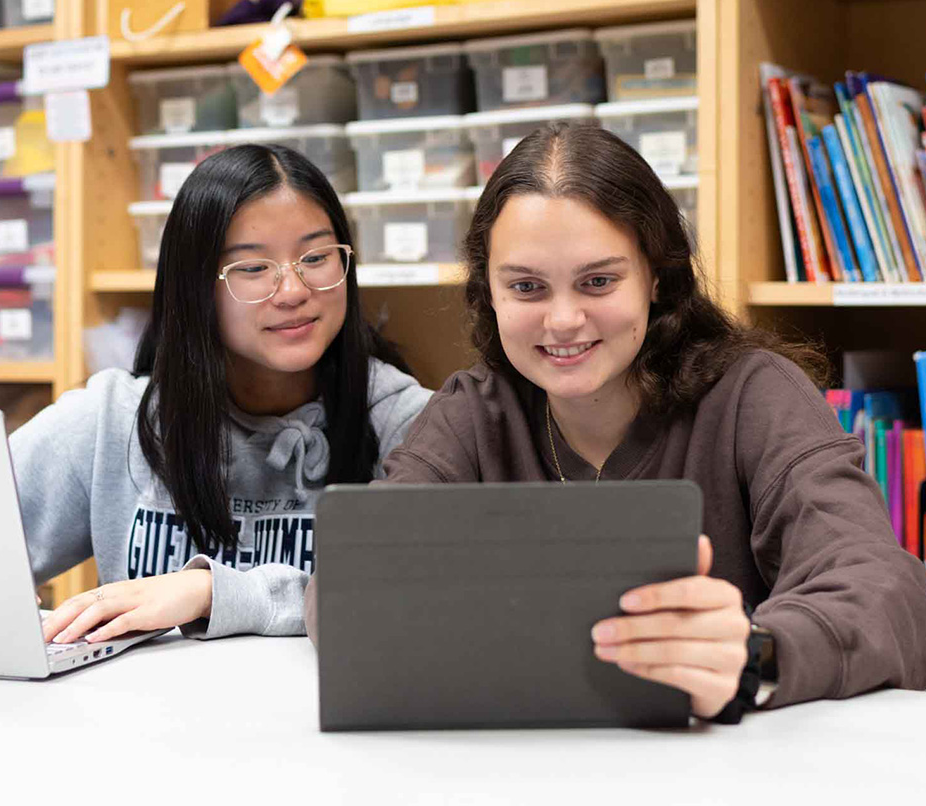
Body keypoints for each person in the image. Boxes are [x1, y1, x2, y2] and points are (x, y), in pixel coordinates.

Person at [305, 122, 926, 721]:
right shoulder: (472, 413)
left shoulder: (754, 396)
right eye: (526, 287)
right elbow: (346, 585)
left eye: (598, 281)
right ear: (488, 292)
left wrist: (757, 655)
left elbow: (886, 591)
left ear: (657, 275)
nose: (564, 320)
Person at [13, 144, 432, 646]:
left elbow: (434, 600)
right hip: (145, 719)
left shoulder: (412, 425)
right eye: (253, 268)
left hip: (327, 717)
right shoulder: (114, 420)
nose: (293, 289)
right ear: (194, 289)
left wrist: (213, 592)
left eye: (316, 257)